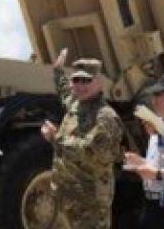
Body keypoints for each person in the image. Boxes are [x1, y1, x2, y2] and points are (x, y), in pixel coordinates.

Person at [40, 57, 124, 229]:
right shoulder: (77, 104)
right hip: (68, 193)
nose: (80, 85)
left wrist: (56, 138)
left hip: (90, 198)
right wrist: (58, 71)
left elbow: (92, 152)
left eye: (86, 80)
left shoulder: (105, 116)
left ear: (99, 82)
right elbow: (65, 92)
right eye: (76, 80)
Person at [125, 74, 164, 229]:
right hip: (152, 203)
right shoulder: (158, 125)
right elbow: (161, 162)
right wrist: (141, 162)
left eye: (159, 95)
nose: (154, 100)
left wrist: (156, 174)